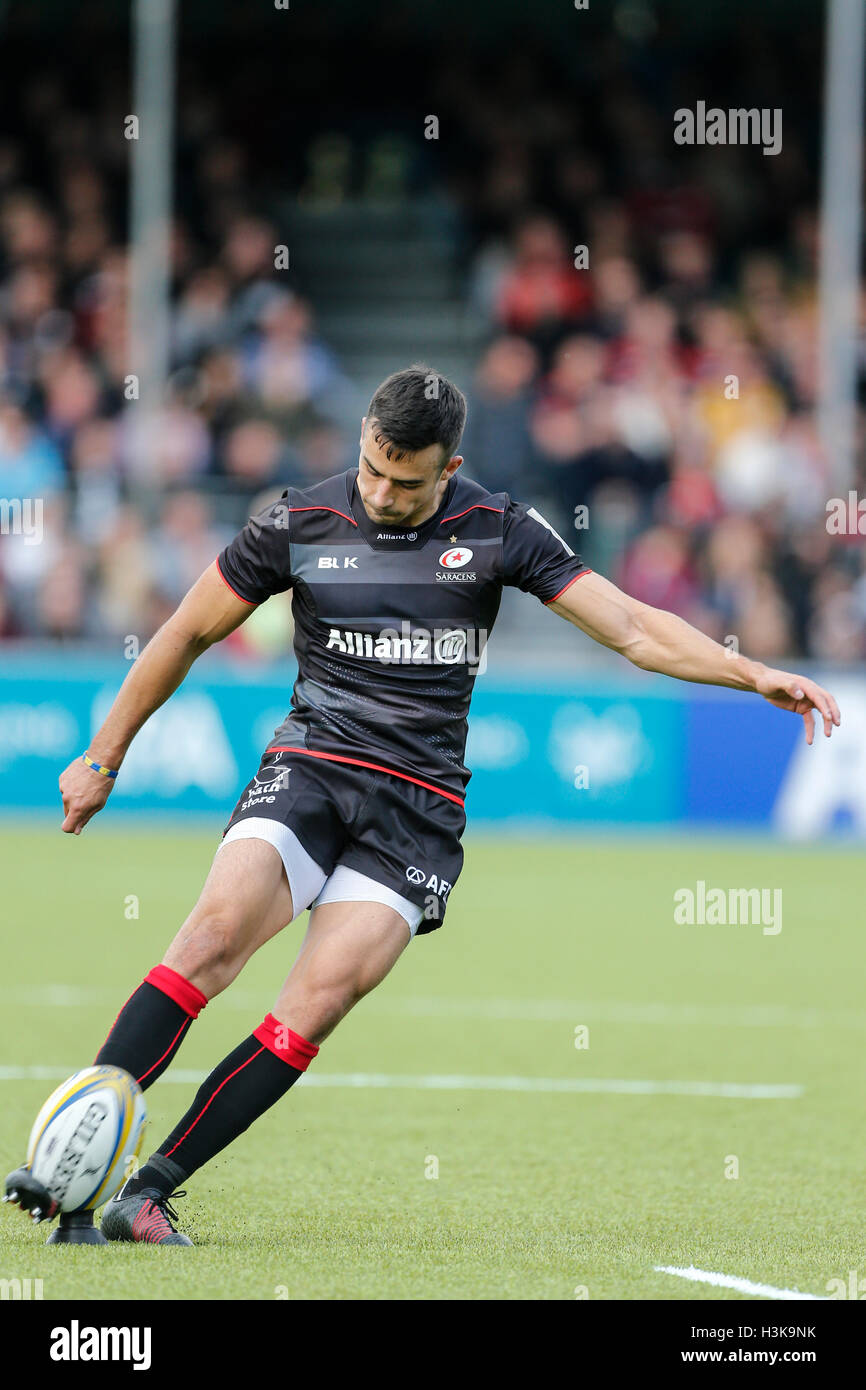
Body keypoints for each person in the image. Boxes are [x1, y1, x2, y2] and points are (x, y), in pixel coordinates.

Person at [4, 364, 840, 1244]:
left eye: (407, 481)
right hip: (311, 768)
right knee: (210, 939)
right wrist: (104, 754)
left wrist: (751, 673)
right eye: (372, 468)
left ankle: (149, 1189)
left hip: (418, 809)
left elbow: (631, 627)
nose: (382, 491)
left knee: (317, 1002)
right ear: (362, 440)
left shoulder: (499, 529)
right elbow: (185, 630)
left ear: (451, 467)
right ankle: (72, 1163)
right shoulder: (300, 519)